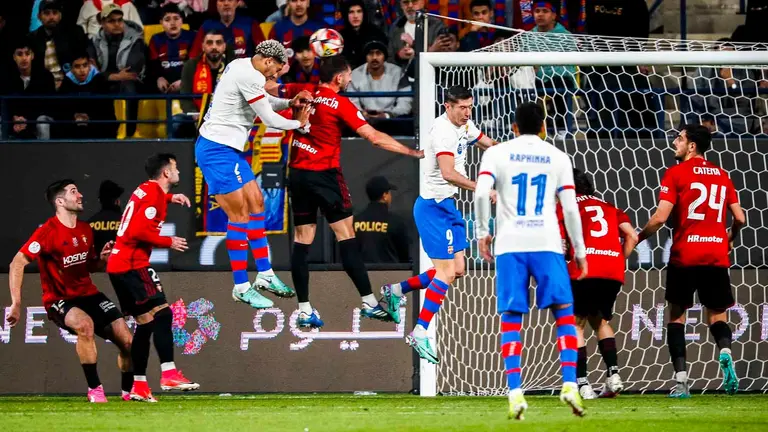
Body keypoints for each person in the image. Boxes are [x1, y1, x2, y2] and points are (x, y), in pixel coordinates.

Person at [286, 55, 423, 329]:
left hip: (298, 173)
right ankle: (369, 302)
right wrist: (411, 151)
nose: (350, 80)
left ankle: (304, 309)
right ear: (339, 78)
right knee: (346, 236)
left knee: (302, 240)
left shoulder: (302, 93)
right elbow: (373, 137)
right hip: (324, 175)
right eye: (348, 76)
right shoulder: (339, 103)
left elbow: (270, 91)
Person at [474, 102, 588, 419]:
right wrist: (579, 251)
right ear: (543, 127)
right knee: (564, 313)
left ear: (513, 127)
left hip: (510, 244)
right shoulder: (558, 157)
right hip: (547, 242)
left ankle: (515, 392)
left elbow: (481, 193)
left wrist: (483, 232)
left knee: (511, 316)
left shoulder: (496, 153)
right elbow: (569, 209)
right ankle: (569, 385)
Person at [380, 85, 496, 360]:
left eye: (470, 107)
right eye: (462, 108)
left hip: (448, 206)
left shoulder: (465, 124)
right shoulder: (442, 131)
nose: (467, 112)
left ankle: (395, 290)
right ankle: (420, 332)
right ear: (448, 106)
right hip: (432, 207)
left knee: (457, 270)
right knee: (443, 273)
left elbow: (487, 143)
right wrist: (481, 188)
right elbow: (448, 173)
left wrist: (515, 151)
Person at [195, 40, 312, 309]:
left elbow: (266, 101)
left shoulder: (244, 67)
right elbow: (269, 119)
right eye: (277, 72)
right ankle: (241, 286)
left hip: (230, 151)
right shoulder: (248, 74)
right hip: (216, 151)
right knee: (239, 215)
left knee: (257, 202)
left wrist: (289, 102)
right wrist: (299, 123)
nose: (276, 77)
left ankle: (265, 275)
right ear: (269, 61)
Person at [638, 124, 746, 398]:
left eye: (679, 139)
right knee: (717, 314)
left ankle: (682, 381)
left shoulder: (676, 173)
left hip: (685, 254)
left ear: (692, 146)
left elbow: (661, 218)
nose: (675, 142)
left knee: (676, 316)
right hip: (715, 254)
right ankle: (724, 351)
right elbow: (741, 218)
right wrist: (730, 237)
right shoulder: (723, 175)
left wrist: (638, 238)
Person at [6, 180, 133, 403]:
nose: (80, 195)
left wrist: (101, 261)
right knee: (85, 326)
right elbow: (17, 263)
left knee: (128, 341)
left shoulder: (86, 229)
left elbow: (89, 266)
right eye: (74, 192)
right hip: (59, 299)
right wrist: (16, 302)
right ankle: (95, 390)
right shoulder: (47, 232)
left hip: (89, 294)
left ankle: (128, 393)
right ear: (60, 201)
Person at [107, 154, 199, 402]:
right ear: (166, 173)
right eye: (175, 168)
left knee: (145, 323)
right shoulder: (154, 194)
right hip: (132, 265)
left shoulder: (147, 190)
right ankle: (169, 372)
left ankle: (138, 385)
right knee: (164, 314)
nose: (178, 171)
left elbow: (142, 211)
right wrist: (167, 241)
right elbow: (137, 230)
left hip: (118, 266)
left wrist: (171, 197)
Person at [560, 169, 638, 400]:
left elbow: (560, 242)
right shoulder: (609, 206)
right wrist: (616, 259)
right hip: (611, 271)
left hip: (584, 269)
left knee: (576, 324)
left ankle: (582, 384)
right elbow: (632, 236)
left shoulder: (566, 206)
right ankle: (614, 376)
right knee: (601, 320)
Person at [176, 29, 228, 138]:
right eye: (209, 43)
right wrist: (194, 114)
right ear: (203, 46)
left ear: (224, 47)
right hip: (198, 115)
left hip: (226, 116)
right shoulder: (191, 65)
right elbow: (185, 96)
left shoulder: (233, 66)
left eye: (218, 43)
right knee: (176, 121)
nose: (214, 47)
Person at [28, 0, 88, 89]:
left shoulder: (73, 34)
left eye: (55, 13)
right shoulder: (32, 38)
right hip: (43, 87)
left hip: (69, 85)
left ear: (60, 16)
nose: (51, 17)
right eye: (47, 13)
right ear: (39, 16)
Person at [56, 53, 117, 139]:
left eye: (85, 65)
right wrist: (74, 116)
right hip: (73, 127)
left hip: (97, 126)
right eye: (77, 66)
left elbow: (107, 110)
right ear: (72, 68)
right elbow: (61, 110)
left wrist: (90, 117)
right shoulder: (67, 83)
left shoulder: (100, 80)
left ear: (89, 65)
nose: (82, 70)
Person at [354, 176, 411, 263]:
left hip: (361, 274)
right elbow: (404, 257)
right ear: (385, 196)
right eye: (389, 193)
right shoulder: (396, 222)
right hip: (390, 273)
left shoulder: (355, 221)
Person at [148, 4, 196, 94]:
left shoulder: (192, 37)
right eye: (167, 20)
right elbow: (152, 64)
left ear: (182, 20)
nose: (172, 23)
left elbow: (195, 64)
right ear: (161, 22)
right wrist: (159, 78)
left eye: (176, 18)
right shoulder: (156, 39)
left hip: (185, 81)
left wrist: (184, 81)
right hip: (163, 83)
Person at [190, 0, 263, 59]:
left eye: (230, 0)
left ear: (237, 3)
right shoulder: (206, 26)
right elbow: (194, 56)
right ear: (216, 4)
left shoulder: (250, 23)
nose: (226, 3)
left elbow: (263, 53)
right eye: (221, 0)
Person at [339, 0, 388, 69]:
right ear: (346, 15)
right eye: (351, 12)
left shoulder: (376, 33)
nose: (355, 16)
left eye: (359, 11)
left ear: (364, 13)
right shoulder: (340, 37)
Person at [89, 180, 125, 253]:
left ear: (100, 200)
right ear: (117, 201)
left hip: (97, 263)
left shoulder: (89, 224)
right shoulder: (127, 222)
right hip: (122, 262)